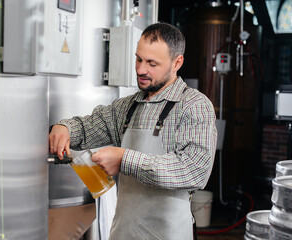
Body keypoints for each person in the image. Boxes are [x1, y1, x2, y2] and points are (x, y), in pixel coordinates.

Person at [49, 22, 217, 240]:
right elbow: (88, 127)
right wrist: (65, 128)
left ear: (177, 63)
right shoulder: (127, 107)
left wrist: (125, 159)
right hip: (124, 233)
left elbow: (194, 170)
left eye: (151, 63)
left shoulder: (194, 106)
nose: (140, 69)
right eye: (138, 59)